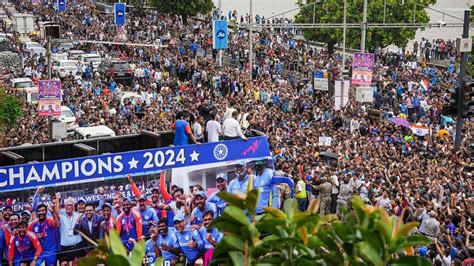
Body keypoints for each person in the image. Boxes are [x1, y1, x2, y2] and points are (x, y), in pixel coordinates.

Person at [55, 197, 83, 266]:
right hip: (65, 248)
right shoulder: (61, 217)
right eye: (67, 205)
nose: (69, 207)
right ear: (64, 206)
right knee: (64, 264)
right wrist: (57, 199)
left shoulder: (78, 216)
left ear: (74, 206)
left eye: (71, 205)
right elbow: (56, 213)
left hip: (78, 246)